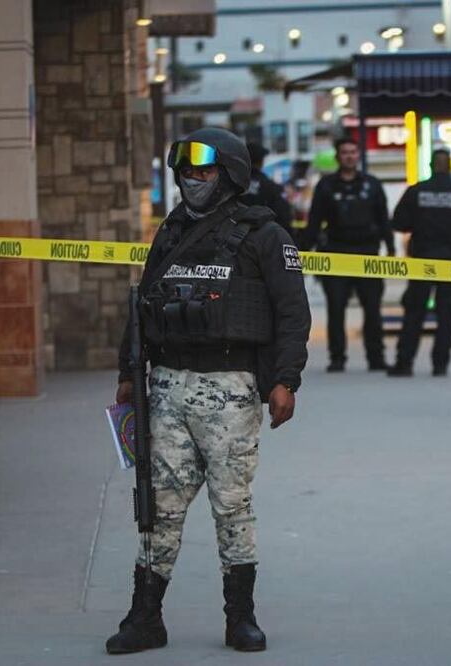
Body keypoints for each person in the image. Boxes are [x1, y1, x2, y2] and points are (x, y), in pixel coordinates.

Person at [106, 127, 311, 656]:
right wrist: (129, 372)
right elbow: (145, 302)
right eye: (186, 171)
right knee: (160, 506)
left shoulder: (265, 234)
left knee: (232, 505)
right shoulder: (171, 232)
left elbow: (292, 313)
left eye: (204, 170)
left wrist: (285, 380)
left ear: (232, 174)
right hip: (167, 386)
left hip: (231, 388)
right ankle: (145, 617)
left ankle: (240, 619)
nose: (192, 180)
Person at [300, 136, 394, 372]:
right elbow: (314, 221)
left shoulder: (372, 184)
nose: (349, 156)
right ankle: (337, 358)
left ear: (358, 155)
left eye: (353, 152)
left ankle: (376, 357)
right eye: (345, 152)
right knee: (336, 309)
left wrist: (391, 248)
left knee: (372, 309)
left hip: (367, 254)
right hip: (335, 254)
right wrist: (302, 254)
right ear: (337, 157)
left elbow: (383, 219)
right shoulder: (326, 186)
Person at [387, 149, 451, 377]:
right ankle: (440, 365)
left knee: (414, 313)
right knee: (447, 314)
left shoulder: (416, 191)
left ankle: (405, 362)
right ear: (450, 166)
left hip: (422, 259)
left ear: (430, 165)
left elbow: (398, 223)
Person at [240, 141, 296, 240]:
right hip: (264, 240)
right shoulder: (271, 187)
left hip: (232, 241)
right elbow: (284, 216)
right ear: (261, 162)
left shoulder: (234, 184)